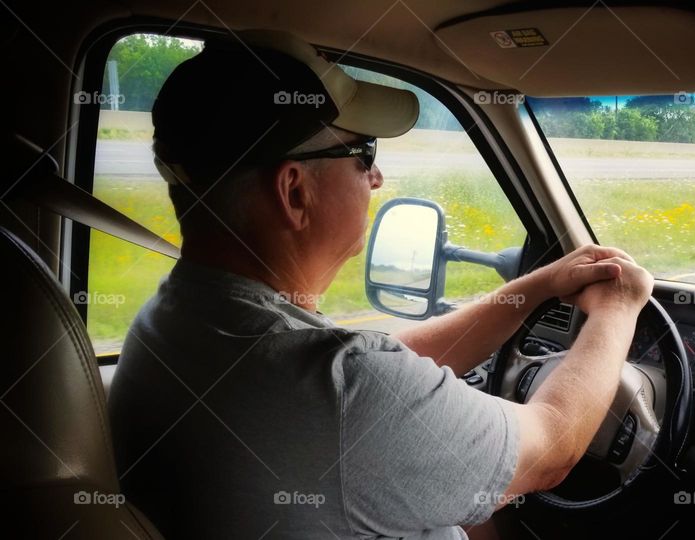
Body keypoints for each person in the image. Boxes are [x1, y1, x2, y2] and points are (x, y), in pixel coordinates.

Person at [108, 29, 654, 539]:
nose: (376, 177)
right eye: (363, 153)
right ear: (294, 192)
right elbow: (552, 447)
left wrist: (532, 290)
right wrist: (618, 308)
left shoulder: (180, 318)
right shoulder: (340, 390)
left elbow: (378, 366)